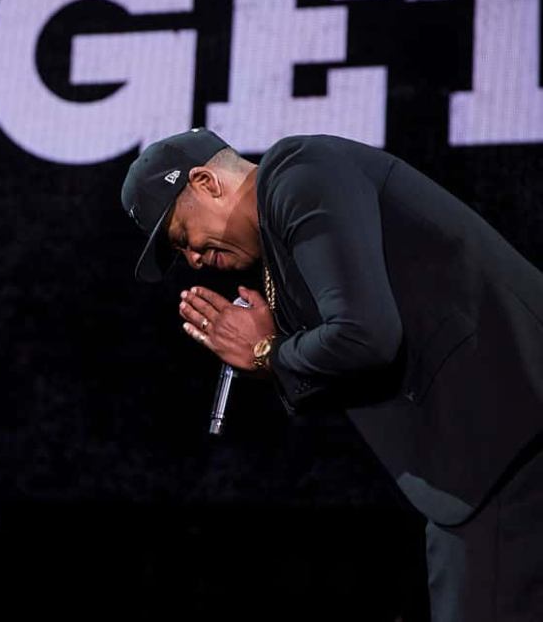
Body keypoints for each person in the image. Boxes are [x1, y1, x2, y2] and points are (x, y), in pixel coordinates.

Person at [121, 128, 543, 621]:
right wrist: (273, 353)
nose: (192, 259)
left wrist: (266, 352)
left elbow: (365, 337)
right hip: (501, 443)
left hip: (509, 438)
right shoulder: (282, 246)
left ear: (206, 183)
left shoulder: (298, 171)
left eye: (181, 237)